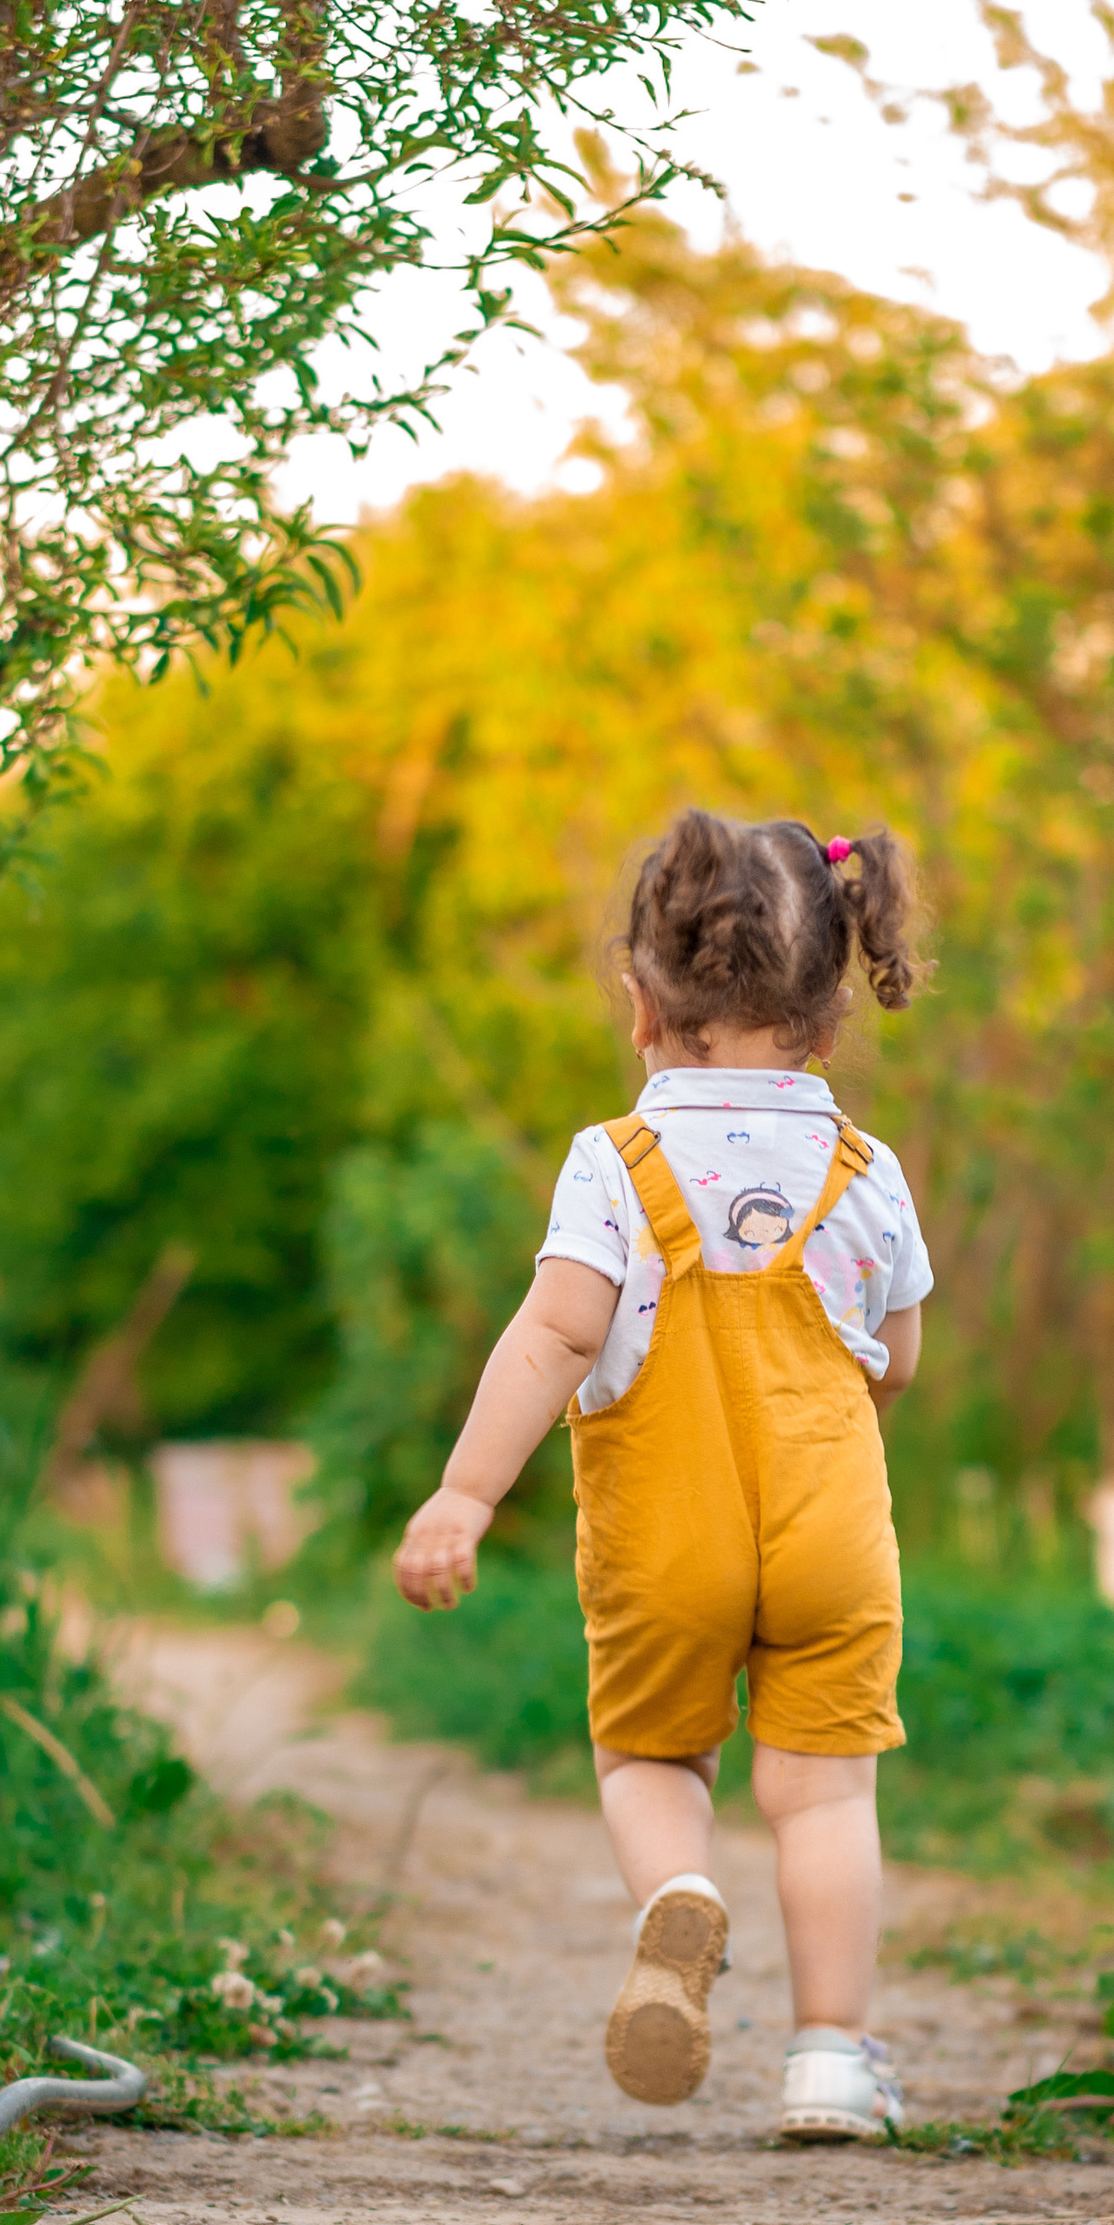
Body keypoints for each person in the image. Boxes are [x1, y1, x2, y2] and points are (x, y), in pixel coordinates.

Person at [393, 809, 932, 2142]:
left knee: (650, 1753)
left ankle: (677, 1898)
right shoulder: (868, 1172)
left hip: (662, 1530)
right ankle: (829, 2062)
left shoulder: (615, 1167)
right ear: (828, 1014)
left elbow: (556, 1333)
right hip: (830, 1525)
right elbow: (897, 1360)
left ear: (643, 1006)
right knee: (824, 1791)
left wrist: (466, 1493)